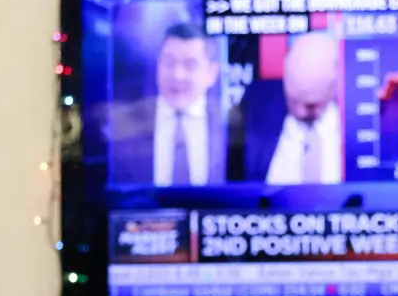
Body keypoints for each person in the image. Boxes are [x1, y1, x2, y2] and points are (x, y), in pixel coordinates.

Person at [107, 22, 228, 187]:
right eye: (169, 63)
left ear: (211, 73)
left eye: (190, 65)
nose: (177, 75)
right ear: (158, 66)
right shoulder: (123, 124)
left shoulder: (230, 125)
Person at [253, 31, 344, 185]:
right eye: (294, 100)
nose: (301, 112)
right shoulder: (254, 108)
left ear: (335, 82)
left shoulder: (362, 118)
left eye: (311, 105)